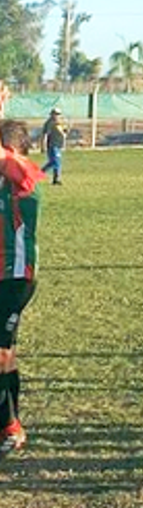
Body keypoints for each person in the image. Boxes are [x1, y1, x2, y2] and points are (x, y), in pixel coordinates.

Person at [0, 120, 43, 460]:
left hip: (17, 277)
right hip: (3, 277)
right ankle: (11, 426)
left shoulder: (24, 171)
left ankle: (10, 428)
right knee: (6, 354)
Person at [41, 108, 68, 185]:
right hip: (52, 145)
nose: (57, 116)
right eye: (56, 114)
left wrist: (65, 132)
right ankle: (40, 173)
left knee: (56, 162)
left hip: (58, 145)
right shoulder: (50, 123)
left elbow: (63, 133)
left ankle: (55, 179)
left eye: (58, 114)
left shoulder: (60, 123)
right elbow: (45, 135)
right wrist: (43, 146)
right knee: (55, 162)